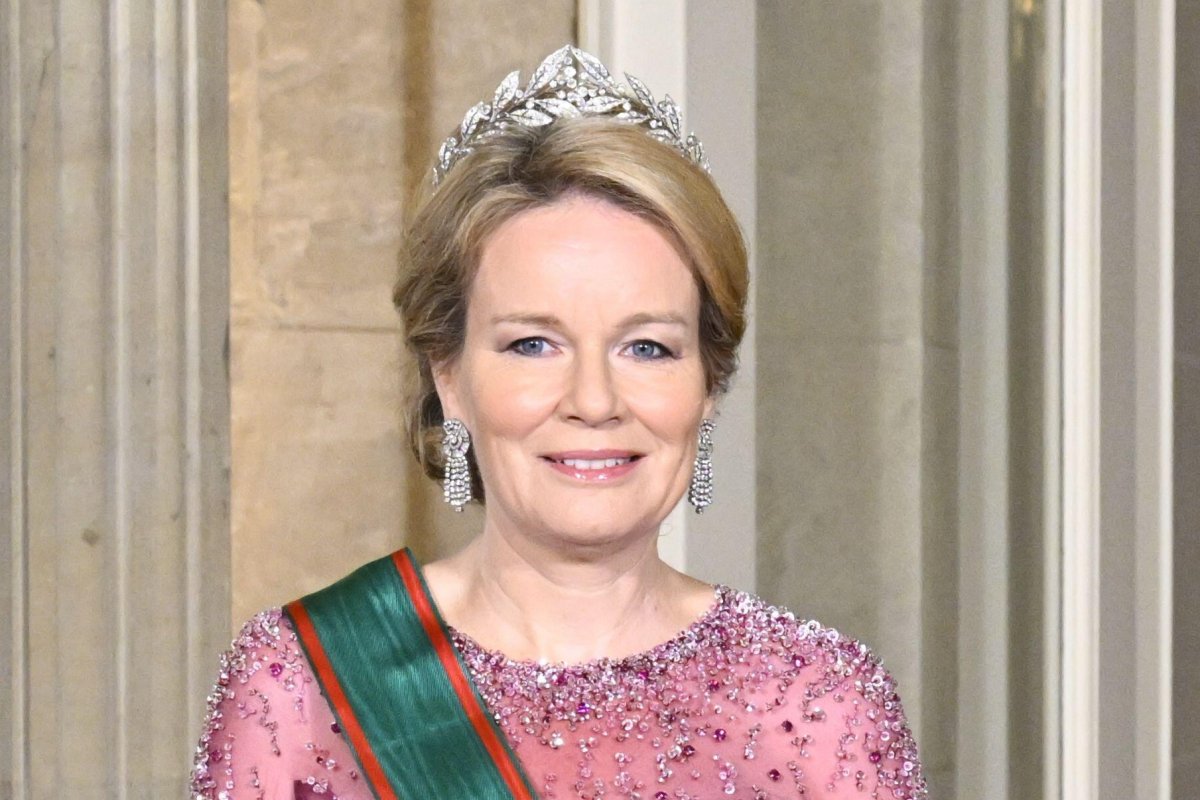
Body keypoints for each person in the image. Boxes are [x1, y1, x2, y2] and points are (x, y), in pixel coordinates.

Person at [191, 46, 926, 800]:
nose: (595, 399)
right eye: (533, 344)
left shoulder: (818, 707)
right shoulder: (304, 688)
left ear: (708, 384)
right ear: (450, 374)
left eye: (647, 347)